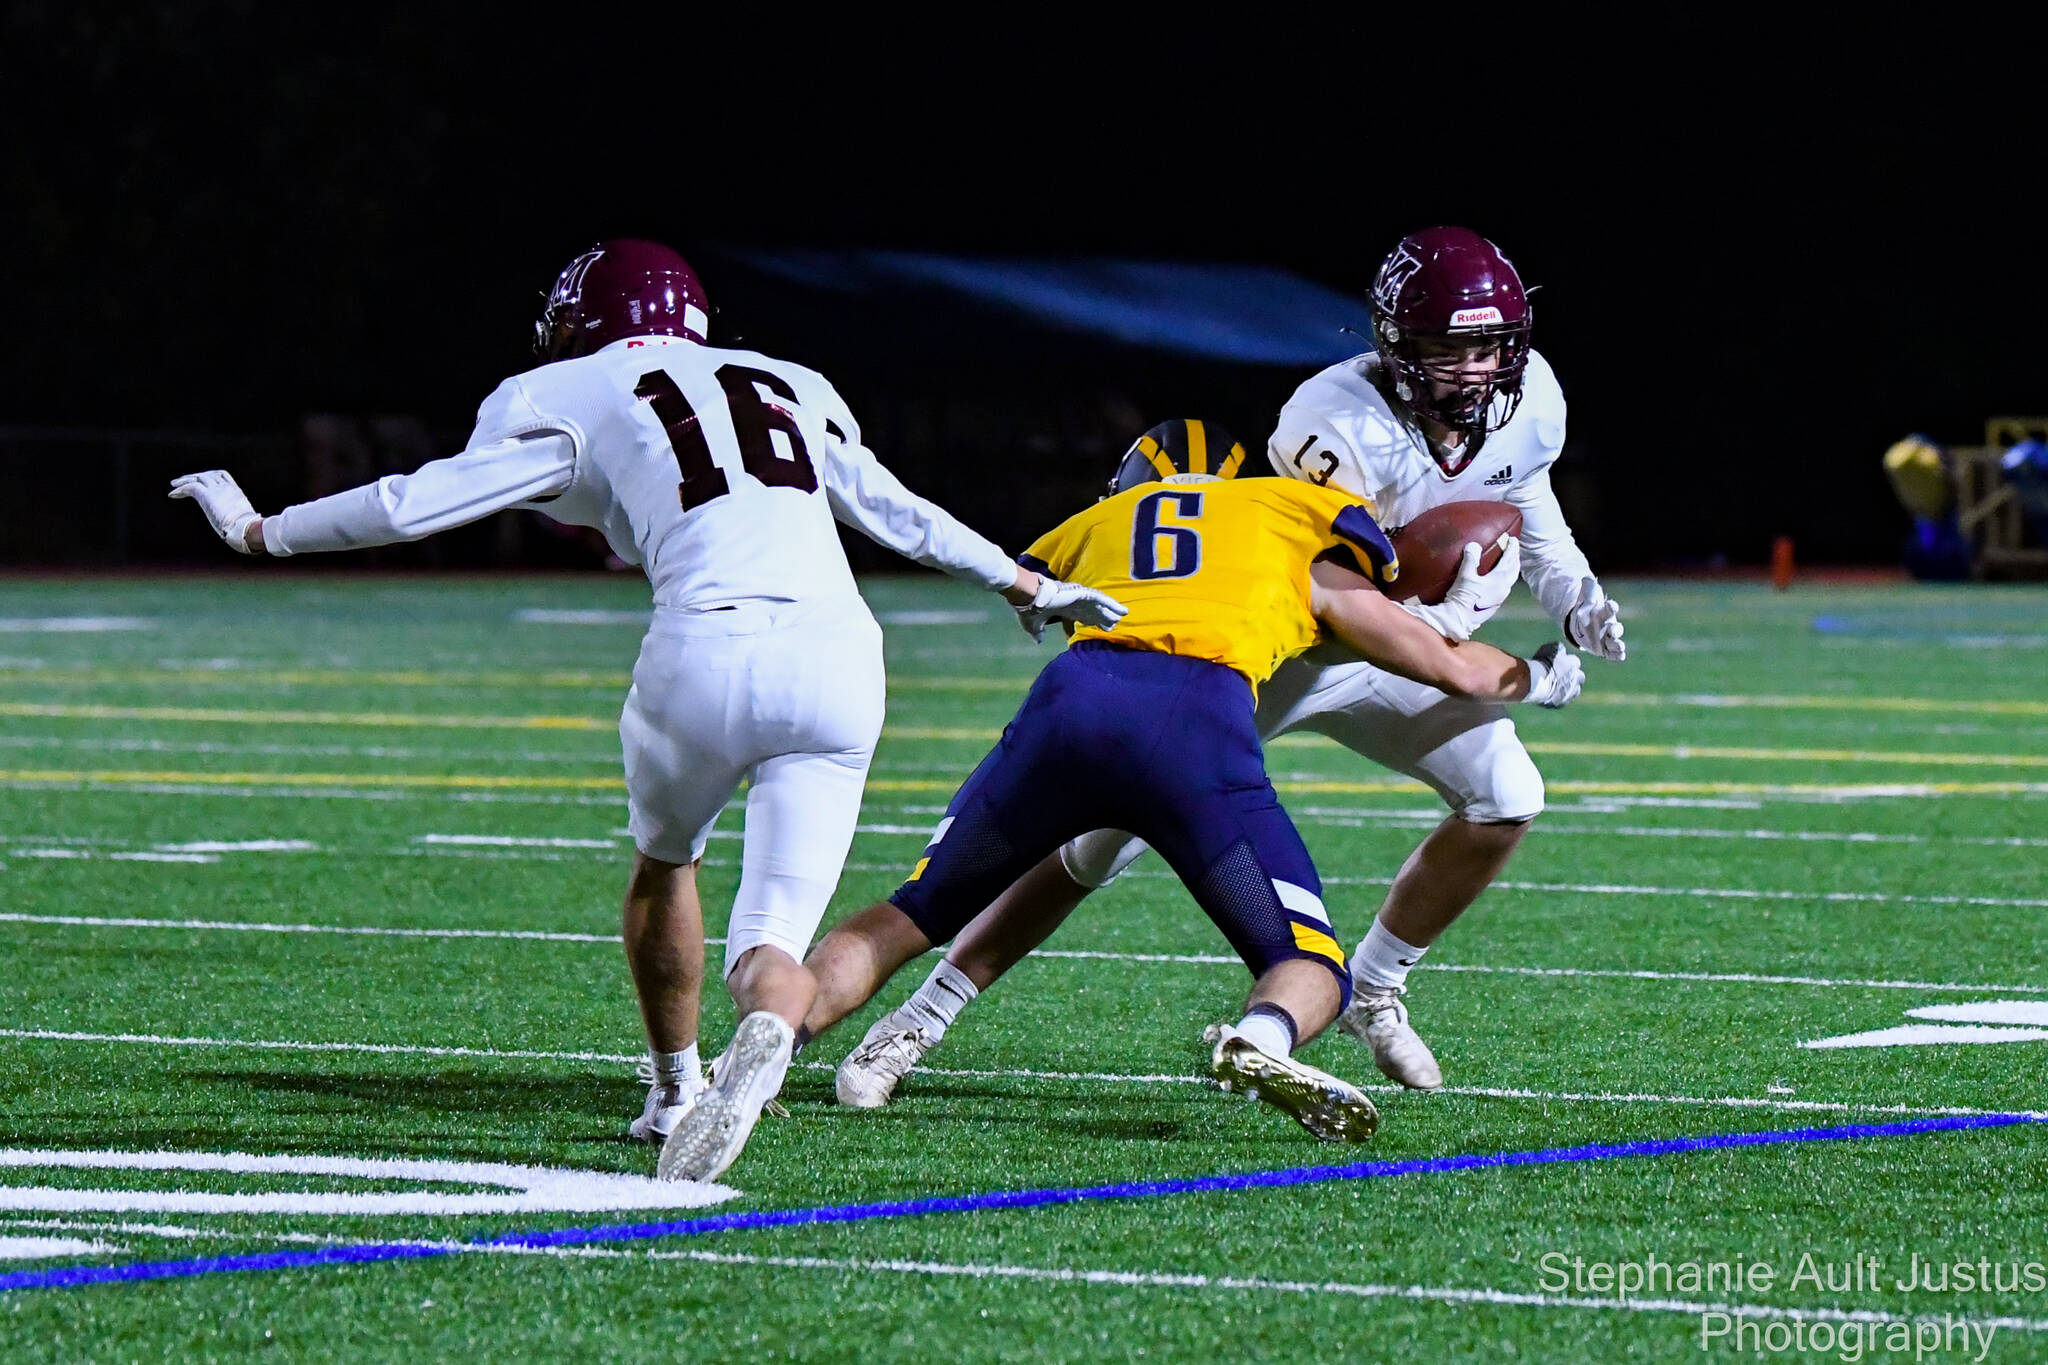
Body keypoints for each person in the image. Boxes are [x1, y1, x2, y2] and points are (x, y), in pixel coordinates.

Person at [166, 238, 1126, 1163]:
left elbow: (415, 503)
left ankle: (676, 1093)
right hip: (839, 657)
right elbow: (894, 508)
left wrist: (262, 531)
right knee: (771, 944)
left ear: (580, 321)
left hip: (704, 645)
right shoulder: (793, 381)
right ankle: (766, 1017)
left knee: (667, 866)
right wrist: (1026, 584)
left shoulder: (564, 391)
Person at [836, 228, 1626, 1109]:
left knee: (1509, 794)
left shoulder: (1533, 398)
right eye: (1450, 348)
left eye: (1490, 347)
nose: (1476, 371)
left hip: (1402, 644)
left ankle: (1373, 987)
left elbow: (1529, 499)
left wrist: (1575, 595)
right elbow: (1334, 597)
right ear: (1399, 345)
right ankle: (919, 1017)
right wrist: (1449, 625)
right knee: (1097, 841)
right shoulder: (1333, 424)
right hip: (1290, 651)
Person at [768, 432, 1583, 1158]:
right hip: (1218, 700)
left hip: (1119, 693)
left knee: (923, 904)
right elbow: (1428, 643)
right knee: (1273, 943)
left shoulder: (1104, 525)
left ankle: (774, 1038)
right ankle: (1258, 1032)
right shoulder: (1294, 495)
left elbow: (1039, 591)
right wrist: (1532, 666)